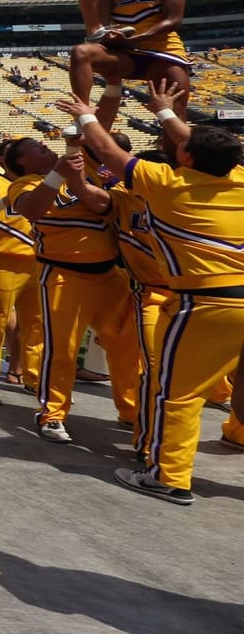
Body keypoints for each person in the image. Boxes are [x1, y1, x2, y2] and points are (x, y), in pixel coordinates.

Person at [59, 91, 244, 505]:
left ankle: (168, 477)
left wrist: (88, 116)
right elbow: (198, 147)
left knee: (175, 392)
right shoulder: (238, 179)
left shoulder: (166, 184)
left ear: (187, 159)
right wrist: (162, 111)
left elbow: (108, 151)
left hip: (207, 302)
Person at [14, 138, 141, 443]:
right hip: (63, 276)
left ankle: (132, 411)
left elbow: (99, 126)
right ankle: (53, 413)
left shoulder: (84, 164)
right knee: (62, 350)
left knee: (127, 346)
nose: (43, 144)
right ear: (21, 162)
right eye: (34, 146)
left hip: (110, 274)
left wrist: (110, 90)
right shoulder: (23, 184)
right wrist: (57, 175)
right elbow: (32, 209)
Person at [68, 0, 189, 138]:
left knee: (174, 120)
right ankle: (82, 115)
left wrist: (135, 39)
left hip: (164, 54)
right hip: (126, 54)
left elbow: (173, 20)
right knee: (81, 52)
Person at [0, 138, 57, 403]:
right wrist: (5, 200)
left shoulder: (45, 184)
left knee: (37, 323)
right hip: (3, 259)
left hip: (39, 260)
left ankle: (34, 376)